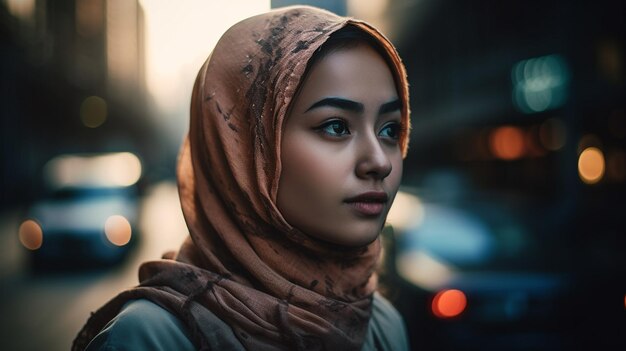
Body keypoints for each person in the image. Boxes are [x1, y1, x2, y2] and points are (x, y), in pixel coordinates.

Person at [72, 5, 411, 351]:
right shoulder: (149, 339)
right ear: (245, 151)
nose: (379, 162)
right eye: (336, 126)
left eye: (389, 130)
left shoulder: (383, 325)